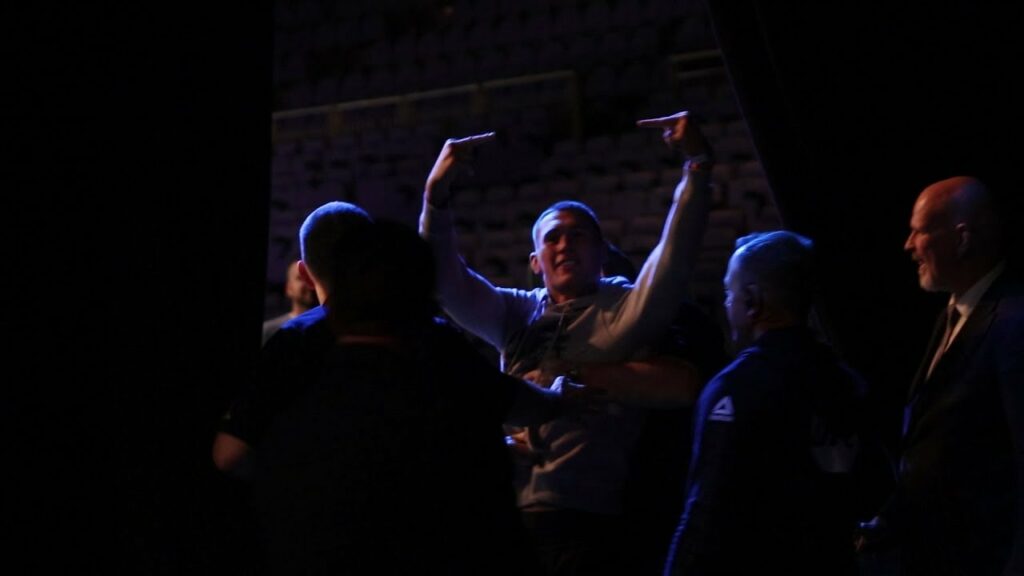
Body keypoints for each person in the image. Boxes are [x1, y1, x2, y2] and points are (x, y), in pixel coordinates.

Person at [419, 111, 715, 574]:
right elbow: (447, 284)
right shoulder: (517, 312)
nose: (564, 245)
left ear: (601, 252)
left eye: (579, 236)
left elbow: (673, 261)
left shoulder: (620, 308)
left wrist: (695, 166)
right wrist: (435, 200)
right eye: (552, 238)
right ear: (535, 262)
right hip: (508, 517)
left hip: (585, 525)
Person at [213, 202, 567, 574]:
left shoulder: (291, 343)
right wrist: (559, 397)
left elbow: (229, 455)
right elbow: (513, 403)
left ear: (305, 272)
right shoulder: (434, 336)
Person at [664, 231, 870, 575]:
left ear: (753, 302)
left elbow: (706, 511)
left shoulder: (735, 388)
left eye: (730, 293)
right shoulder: (847, 381)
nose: (726, 304)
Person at [863, 176, 1024, 575]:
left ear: (962, 238)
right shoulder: (951, 315)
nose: (908, 245)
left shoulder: (1014, 324)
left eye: (918, 232)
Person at [261, 260, 318, 346]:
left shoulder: (331, 329)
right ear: (288, 288)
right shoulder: (270, 331)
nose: (308, 283)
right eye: (300, 278)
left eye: (312, 278)